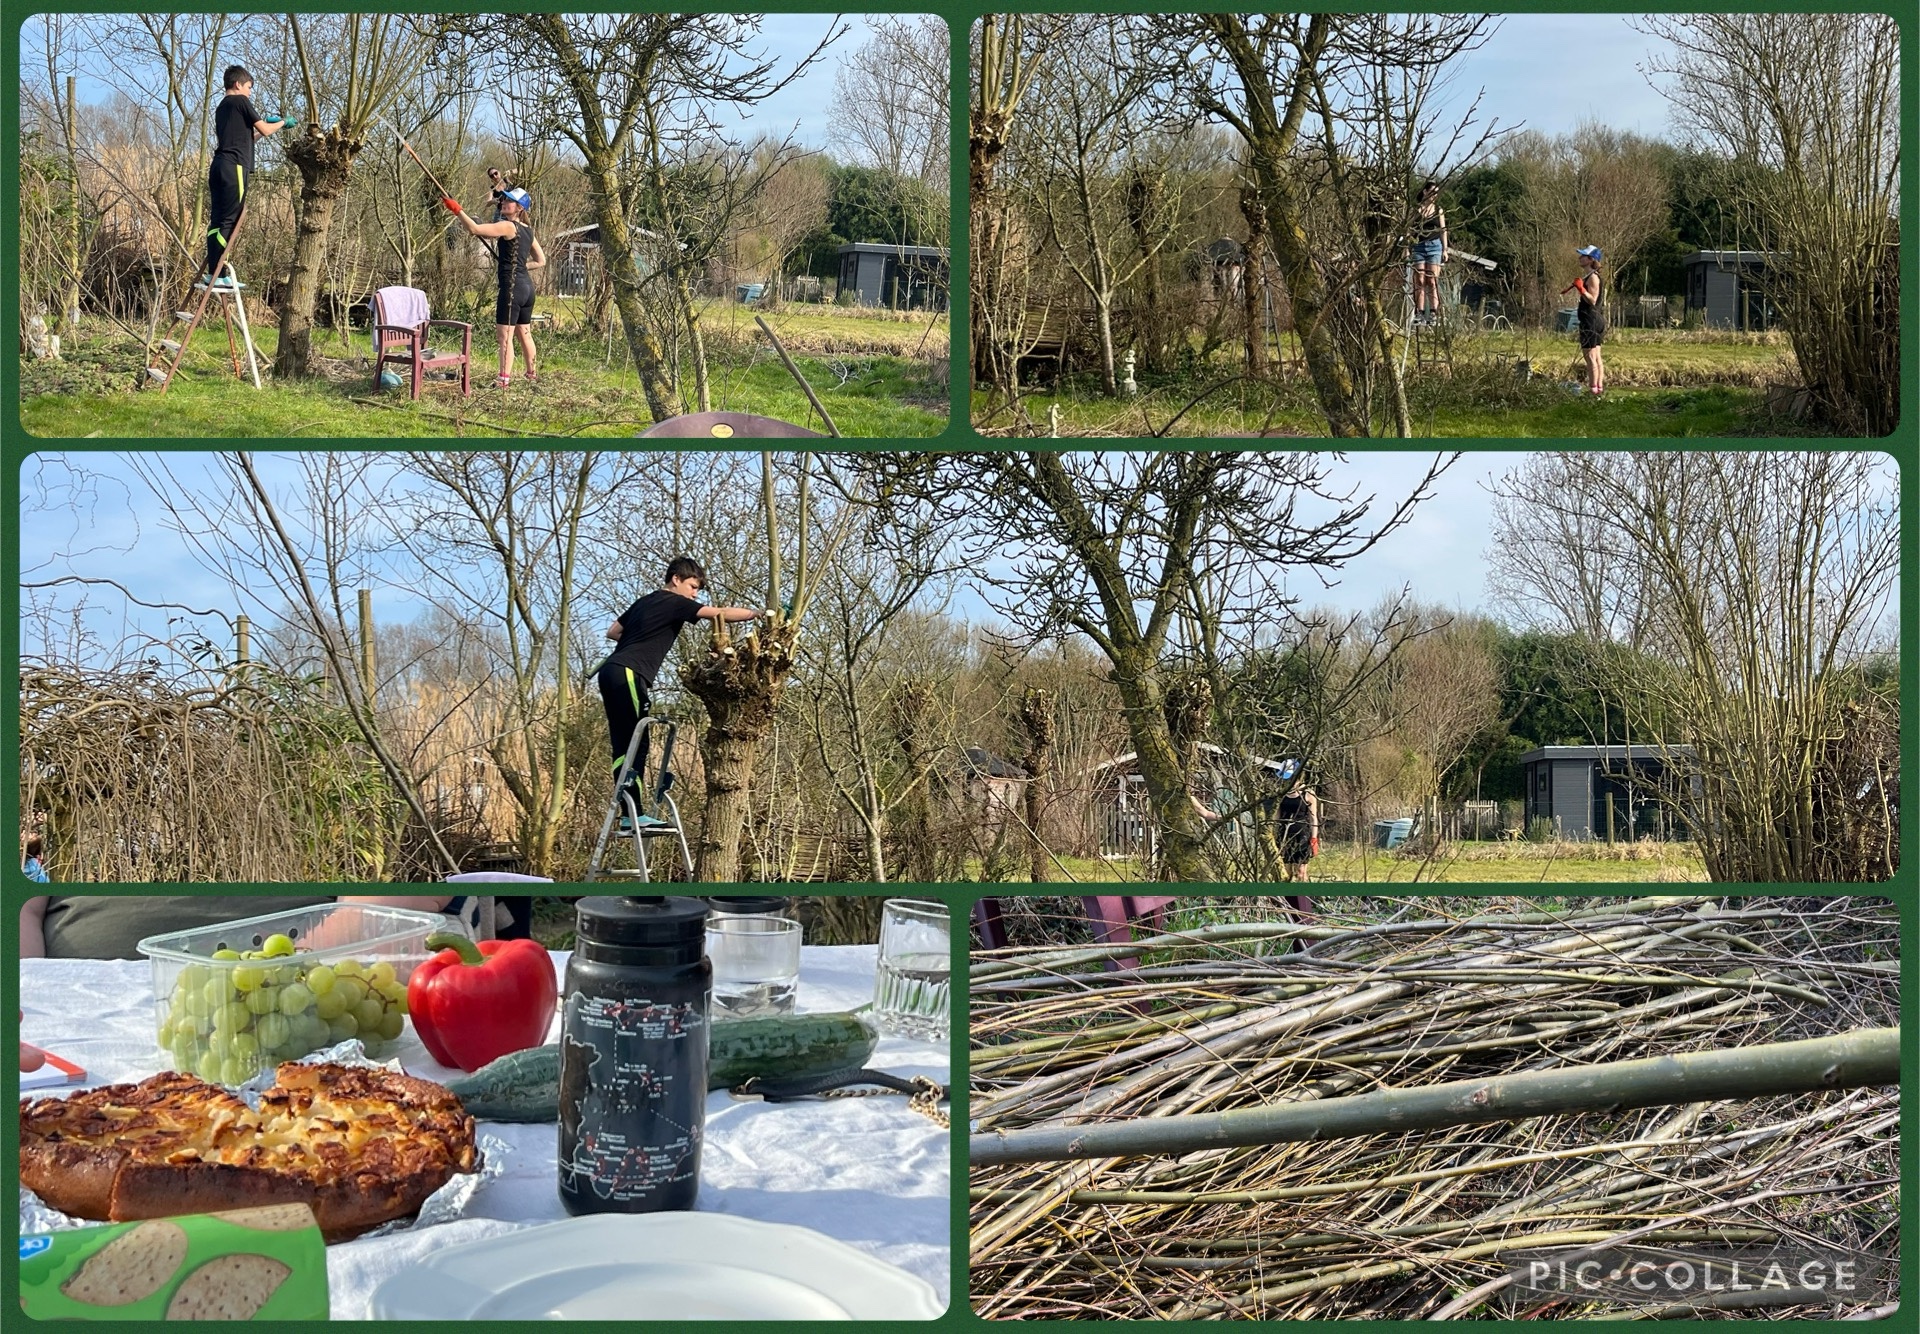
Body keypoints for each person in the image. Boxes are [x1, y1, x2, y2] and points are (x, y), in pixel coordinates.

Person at [599, 557, 761, 825]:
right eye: (693, 586)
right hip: (629, 672)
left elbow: (613, 631)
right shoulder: (674, 602)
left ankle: (628, 811)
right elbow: (719, 614)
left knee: (624, 742)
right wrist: (756, 614)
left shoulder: (645, 601)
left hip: (611, 671)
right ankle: (632, 814)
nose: (695, 594)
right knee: (637, 743)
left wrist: (637, 639)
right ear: (676, 579)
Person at [19, 895, 456, 961]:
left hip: (300, 975)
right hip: (71, 1010)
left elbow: (399, 897)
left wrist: (289, 973)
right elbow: (20, 905)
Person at [444, 182, 546, 389]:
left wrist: (456, 209)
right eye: (504, 199)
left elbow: (474, 229)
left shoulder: (509, 226)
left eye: (510, 200)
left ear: (520, 208)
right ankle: (531, 374)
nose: (504, 202)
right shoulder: (528, 231)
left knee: (504, 336)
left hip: (512, 289)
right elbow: (541, 260)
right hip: (527, 287)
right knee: (524, 332)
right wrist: (518, 263)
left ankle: (503, 380)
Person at [204, 65, 292, 287]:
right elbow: (266, 130)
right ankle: (219, 275)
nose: (250, 92)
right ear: (238, 84)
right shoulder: (241, 101)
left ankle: (213, 271)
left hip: (219, 166)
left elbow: (246, 139)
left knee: (218, 219)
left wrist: (266, 128)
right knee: (230, 220)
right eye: (249, 87)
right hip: (235, 167)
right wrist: (282, 123)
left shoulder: (222, 108)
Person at [1563, 244, 1606, 395]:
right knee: (1596, 357)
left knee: (1590, 359)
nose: (1579, 258)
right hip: (1595, 320)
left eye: (1583, 256)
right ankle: (1598, 390)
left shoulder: (1593, 278)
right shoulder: (1590, 276)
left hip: (1591, 320)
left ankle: (1593, 391)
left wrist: (1581, 289)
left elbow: (1592, 300)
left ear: (1590, 259)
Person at [1410, 180, 1448, 326]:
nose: (1434, 196)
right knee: (1419, 280)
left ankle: (1433, 313)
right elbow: (1409, 230)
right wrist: (1407, 248)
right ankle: (1419, 313)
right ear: (1425, 192)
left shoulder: (1439, 210)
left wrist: (1445, 249)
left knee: (1431, 280)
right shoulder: (1416, 210)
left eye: (1436, 193)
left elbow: (1443, 230)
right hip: (1419, 247)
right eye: (1432, 192)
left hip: (1435, 247)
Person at [1273, 779, 1319, 883]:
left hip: (1302, 836)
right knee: (1286, 872)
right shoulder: (1281, 793)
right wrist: (1274, 835)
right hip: (1284, 835)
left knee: (1301, 872)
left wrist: (1314, 839)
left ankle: (1304, 897)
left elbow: (1313, 818)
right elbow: (1277, 816)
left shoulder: (1308, 794)